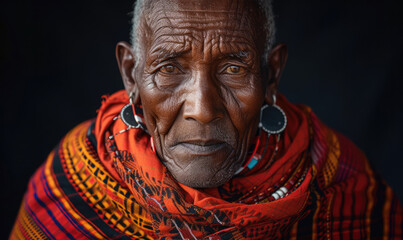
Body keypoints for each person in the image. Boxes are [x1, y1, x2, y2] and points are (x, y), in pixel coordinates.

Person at [10, 0, 402, 239]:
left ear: (272, 74)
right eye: (169, 68)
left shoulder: (337, 181)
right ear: (131, 74)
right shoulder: (77, 179)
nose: (201, 107)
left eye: (233, 68)